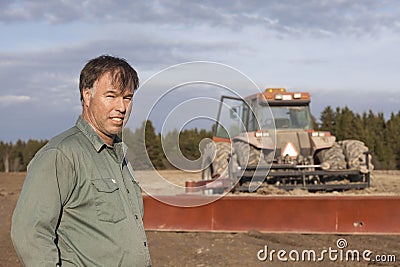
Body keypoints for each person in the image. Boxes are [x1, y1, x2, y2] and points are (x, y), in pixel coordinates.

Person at [11, 55, 152, 266]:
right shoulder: (61, 155)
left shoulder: (118, 156)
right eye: (111, 96)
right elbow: (29, 233)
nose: (121, 107)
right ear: (87, 95)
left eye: (127, 98)